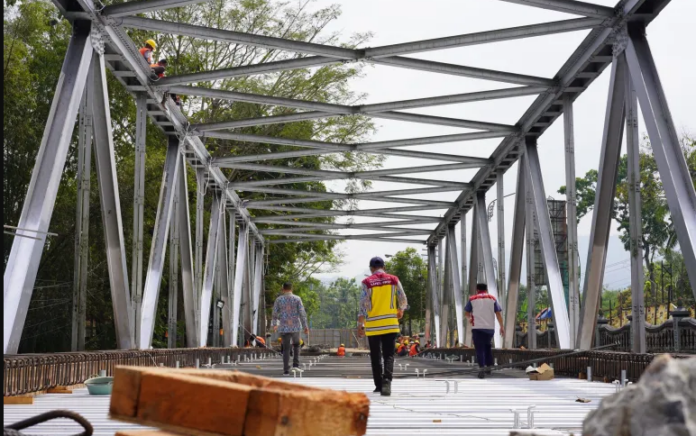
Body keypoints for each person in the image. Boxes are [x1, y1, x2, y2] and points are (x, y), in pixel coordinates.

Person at [357, 256, 408, 396]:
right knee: (389, 355)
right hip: (390, 323)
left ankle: (378, 385)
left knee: (375, 355)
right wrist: (401, 310)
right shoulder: (393, 279)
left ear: (371, 268)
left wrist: (360, 324)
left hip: (373, 325)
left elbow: (363, 304)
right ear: (384, 267)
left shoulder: (366, 282)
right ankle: (387, 381)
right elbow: (403, 298)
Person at [464, 283, 505, 379]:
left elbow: (466, 313)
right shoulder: (492, 299)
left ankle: (482, 368)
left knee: (479, 348)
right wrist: (501, 326)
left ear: (477, 289)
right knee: (487, 346)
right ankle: (489, 366)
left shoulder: (472, 299)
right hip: (490, 328)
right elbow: (498, 314)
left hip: (477, 327)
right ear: (486, 289)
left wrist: (469, 318)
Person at [272, 282, 309, 376]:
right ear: (291, 289)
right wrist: (305, 326)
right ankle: (296, 365)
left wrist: (275, 324)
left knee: (286, 348)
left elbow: (275, 314)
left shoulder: (279, 299)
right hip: (296, 326)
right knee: (296, 345)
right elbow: (302, 313)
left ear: (283, 289)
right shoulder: (297, 299)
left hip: (284, 327)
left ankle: (286, 370)